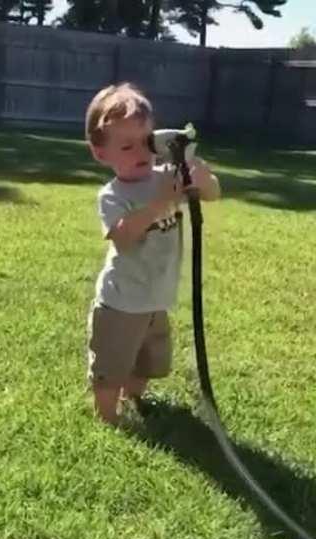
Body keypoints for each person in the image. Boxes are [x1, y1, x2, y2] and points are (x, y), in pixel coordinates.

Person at [85, 82, 221, 426]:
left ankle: (134, 398)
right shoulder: (113, 194)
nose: (140, 152)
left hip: (155, 296)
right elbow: (123, 238)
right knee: (112, 364)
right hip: (122, 301)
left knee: (148, 360)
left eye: (145, 142)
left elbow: (212, 193)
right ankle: (107, 415)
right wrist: (160, 202)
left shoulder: (166, 174)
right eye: (126, 146)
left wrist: (202, 177)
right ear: (102, 154)